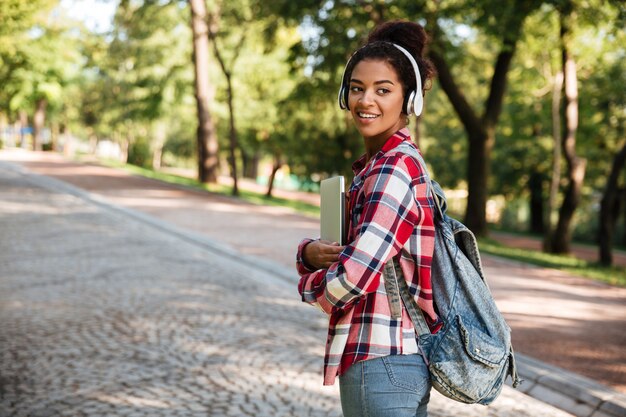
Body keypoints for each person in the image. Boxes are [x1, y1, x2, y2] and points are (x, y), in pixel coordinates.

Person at [296, 20, 442, 417]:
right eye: (357, 88)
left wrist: (308, 283)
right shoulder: (382, 165)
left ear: (410, 100)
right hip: (394, 361)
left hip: (381, 361)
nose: (366, 101)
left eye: (383, 90)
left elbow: (350, 280)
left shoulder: (393, 169)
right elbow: (358, 254)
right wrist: (311, 253)